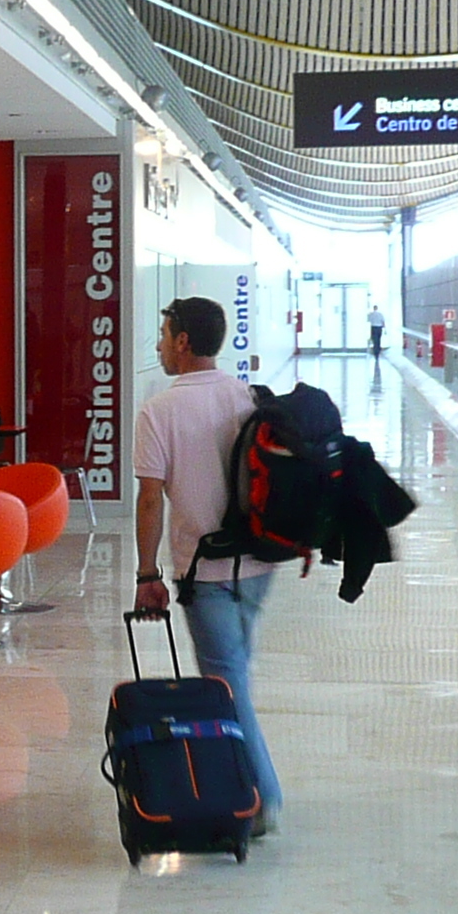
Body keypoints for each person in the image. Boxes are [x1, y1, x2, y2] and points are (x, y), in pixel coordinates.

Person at [135, 296, 283, 838]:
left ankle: (262, 796)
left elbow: (151, 499)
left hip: (207, 573)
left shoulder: (159, 410)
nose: (158, 345)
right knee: (234, 671)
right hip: (261, 564)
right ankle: (247, 785)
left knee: (227, 684)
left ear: (182, 342)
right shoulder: (246, 396)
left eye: (164, 333)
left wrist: (146, 575)